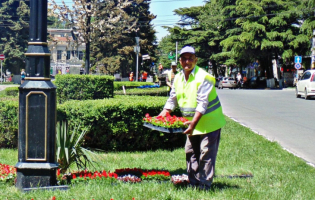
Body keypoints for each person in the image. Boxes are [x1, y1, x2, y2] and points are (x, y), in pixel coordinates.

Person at [158, 45, 226, 190]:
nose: (187, 61)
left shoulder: (204, 77)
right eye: (184, 59)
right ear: (180, 61)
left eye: (190, 58)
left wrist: (193, 123)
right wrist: (163, 114)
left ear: (196, 60)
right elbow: (173, 99)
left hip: (209, 123)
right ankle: (194, 182)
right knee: (191, 152)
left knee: (206, 154)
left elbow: (202, 104)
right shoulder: (178, 77)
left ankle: (205, 185)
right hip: (191, 123)